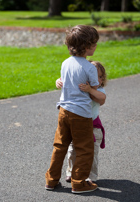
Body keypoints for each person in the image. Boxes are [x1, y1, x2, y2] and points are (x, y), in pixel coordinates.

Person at [45, 25, 100, 194]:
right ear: (87, 46)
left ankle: (51, 180)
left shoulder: (65, 63)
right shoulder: (89, 67)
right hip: (81, 113)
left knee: (60, 146)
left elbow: (63, 81)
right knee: (84, 148)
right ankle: (79, 182)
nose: (96, 46)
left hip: (63, 110)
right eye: (94, 43)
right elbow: (95, 87)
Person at [56, 61, 107, 184]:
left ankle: (91, 176)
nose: (98, 80)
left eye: (100, 77)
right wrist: (59, 81)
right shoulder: (80, 89)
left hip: (93, 127)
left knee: (92, 152)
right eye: (94, 77)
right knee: (73, 149)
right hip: (78, 124)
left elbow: (102, 99)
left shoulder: (99, 91)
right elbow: (67, 79)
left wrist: (90, 89)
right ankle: (71, 172)